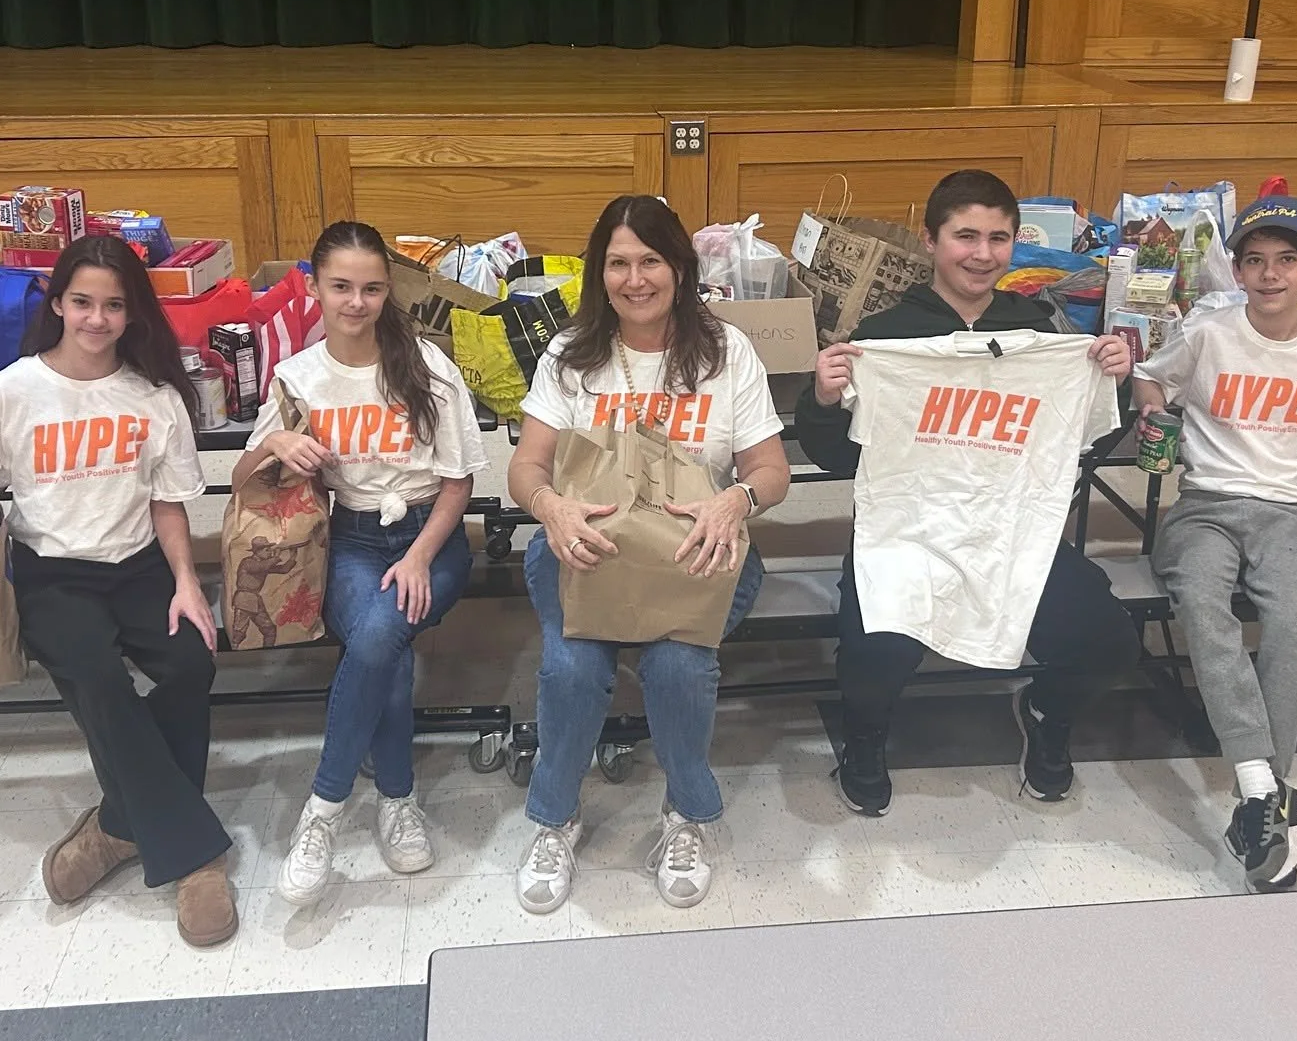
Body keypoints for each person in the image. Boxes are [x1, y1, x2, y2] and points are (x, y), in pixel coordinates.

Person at [795, 169, 1137, 817]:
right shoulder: (886, 337)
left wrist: (1107, 381)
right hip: (907, 535)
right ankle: (864, 744)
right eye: (966, 236)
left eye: (999, 237)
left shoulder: (1043, 334)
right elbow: (837, 455)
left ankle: (1045, 714)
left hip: (1012, 537)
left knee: (1109, 639)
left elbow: (1082, 447)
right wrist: (821, 397)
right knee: (875, 644)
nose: (982, 253)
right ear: (931, 240)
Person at [0, 235, 234, 946]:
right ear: (59, 304)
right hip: (53, 575)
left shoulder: (155, 395)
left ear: (133, 315)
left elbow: (167, 504)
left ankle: (120, 825)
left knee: (191, 663)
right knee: (99, 677)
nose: (97, 319)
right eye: (83, 303)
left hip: (140, 569)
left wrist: (188, 582)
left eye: (114, 306)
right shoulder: (13, 390)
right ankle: (195, 858)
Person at [507, 195, 791, 914]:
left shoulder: (727, 354)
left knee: (679, 663)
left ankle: (685, 815)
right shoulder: (571, 356)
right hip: (587, 547)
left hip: (699, 550)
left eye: (651, 261)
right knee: (572, 666)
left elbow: (771, 471)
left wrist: (736, 502)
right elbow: (525, 470)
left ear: (680, 267)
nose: (636, 279)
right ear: (599, 272)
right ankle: (555, 818)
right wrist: (553, 509)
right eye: (619, 263)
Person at [1131, 196, 1297, 891]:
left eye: (1286, 261)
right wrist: (1154, 416)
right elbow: (1148, 377)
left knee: (1289, 624)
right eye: (1254, 260)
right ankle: (1268, 789)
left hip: (1294, 511)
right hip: (1207, 505)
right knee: (1203, 605)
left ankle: (1262, 797)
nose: (1270, 274)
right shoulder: (1210, 332)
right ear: (1239, 270)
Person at [236, 222, 487, 906]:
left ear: (388, 291)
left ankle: (323, 808)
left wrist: (417, 556)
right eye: (341, 287)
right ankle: (395, 800)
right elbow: (242, 473)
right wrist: (280, 443)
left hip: (430, 539)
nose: (356, 302)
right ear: (314, 287)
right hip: (344, 542)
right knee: (385, 642)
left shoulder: (428, 368)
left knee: (381, 634)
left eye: (372, 288)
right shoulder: (298, 376)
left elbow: (459, 482)